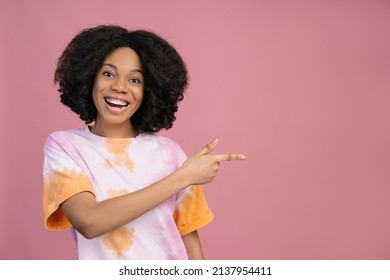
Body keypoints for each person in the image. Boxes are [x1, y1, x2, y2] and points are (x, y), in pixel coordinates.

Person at [42, 25, 245, 260]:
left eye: (135, 80)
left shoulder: (169, 154)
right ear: (89, 78)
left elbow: (190, 245)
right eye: (108, 74)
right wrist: (183, 177)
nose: (119, 87)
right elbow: (89, 221)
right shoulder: (66, 146)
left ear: (149, 91)